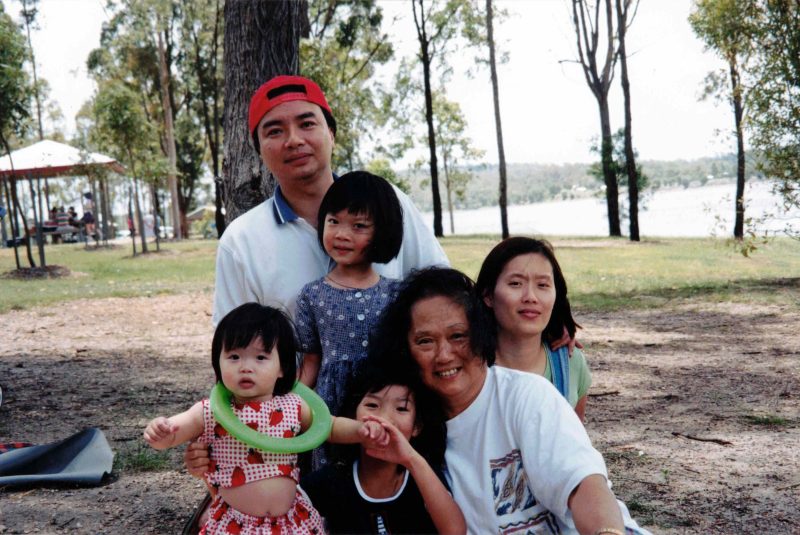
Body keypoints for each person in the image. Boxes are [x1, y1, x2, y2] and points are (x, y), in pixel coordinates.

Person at [370, 267, 650, 535]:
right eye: (425, 341)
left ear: (481, 334)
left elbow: (581, 483)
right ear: (405, 349)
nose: (444, 355)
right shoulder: (411, 424)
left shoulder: (526, 396)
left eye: (458, 336)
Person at [212, 75, 447, 326]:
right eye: (275, 131)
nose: (294, 140)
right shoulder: (240, 242)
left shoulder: (388, 202)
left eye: (307, 124)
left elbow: (441, 291)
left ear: (331, 134)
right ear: (259, 150)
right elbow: (233, 346)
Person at [144, 303, 392, 535]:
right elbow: (175, 430)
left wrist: (361, 430)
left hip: (291, 521)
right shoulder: (211, 411)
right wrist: (161, 432)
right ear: (218, 364)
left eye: (260, 358)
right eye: (234, 357)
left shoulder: (293, 405)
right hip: (236, 524)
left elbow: (330, 426)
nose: (246, 367)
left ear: (282, 368)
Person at [295, 171, 403, 450]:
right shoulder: (312, 294)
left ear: (382, 231)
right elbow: (310, 360)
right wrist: (290, 403)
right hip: (329, 406)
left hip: (383, 401)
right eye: (333, 221)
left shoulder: (396, 294)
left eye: (358, 226)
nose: (342, 234)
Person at [300, 362, 465, 534]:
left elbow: (454, 531)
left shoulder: (424, 477)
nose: (384, 419)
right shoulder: (330, 481)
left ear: (417, 426)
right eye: (372, 405)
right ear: (353, 415)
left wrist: (411, 459)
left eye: (401, 409)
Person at [476, 237, 591, 420]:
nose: (531, 297)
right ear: (488, 295)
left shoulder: (569, 363)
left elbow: (575, 445)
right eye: (515, 283)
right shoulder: (468, 367)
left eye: (543, 285)